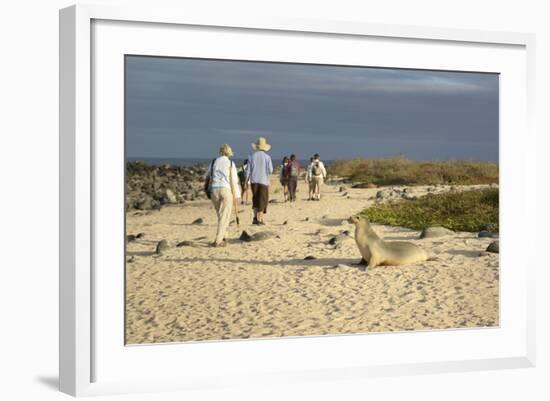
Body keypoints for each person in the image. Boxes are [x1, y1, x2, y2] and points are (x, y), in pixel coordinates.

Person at [204, 144, 241, 247]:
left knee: (221, 215)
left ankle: (224, 236)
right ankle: (218, 240)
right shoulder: (230, 163)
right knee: (224, 216)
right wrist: (237, 195)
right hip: (226, 189)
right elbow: (234, 180)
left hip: (214, 190)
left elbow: (207, 176)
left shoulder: (213, 162)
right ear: (229, 153)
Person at [246, 137, 273, 225]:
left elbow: (248, 170)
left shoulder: (251, 156)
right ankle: (260, 219)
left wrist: (246, 181)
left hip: (254, 181)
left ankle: (254, 217)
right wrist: (266, 174)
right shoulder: (267, 157)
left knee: (255, 198)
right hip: (264, 181)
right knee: (263, 199)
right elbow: (270, 170)